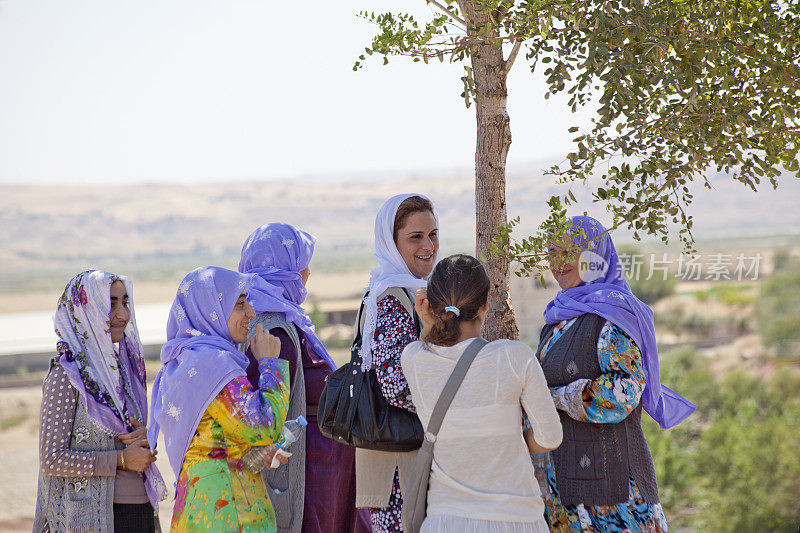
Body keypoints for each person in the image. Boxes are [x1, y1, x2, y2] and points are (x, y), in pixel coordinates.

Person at [533, 216, 697, 532]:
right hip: (566, 493)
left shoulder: (613, 317)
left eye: (571, 252)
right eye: (553, 252)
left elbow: (622, 394)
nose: (559, 262)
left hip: (616, 494)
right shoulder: (554, 323)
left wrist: (552, 398)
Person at [402, 254, 563, 533]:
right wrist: (509, 441)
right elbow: (550, 437)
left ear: (431, 304)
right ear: (486, 303)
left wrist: (429, 323)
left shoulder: (413, 359)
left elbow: (431, 350)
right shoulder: (514, 356)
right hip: (517, 518)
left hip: (445, 520)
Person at [238, 222, 372, 533]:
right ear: (287, 271)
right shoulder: (272, 330)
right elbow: (269, 415)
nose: (307, 274)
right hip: (306, 477)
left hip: (321, 470)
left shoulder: (286, 321)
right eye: (301, 265)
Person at [148, 266, 290, 532]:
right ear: (211, 309)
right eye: (239, 304)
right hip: (228, 513)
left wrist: (251, 455)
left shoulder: (181, 363)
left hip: (197, 509)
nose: (251, 312)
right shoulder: (216, 366)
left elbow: (211, 447)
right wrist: (270, 364)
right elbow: (264, 427)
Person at [33, 270, 167, 533]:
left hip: (140, 511)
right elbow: (52, 459)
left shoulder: (123, 372)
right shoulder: (66, 375)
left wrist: (142, 436)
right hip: (95, 518)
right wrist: (120, 459)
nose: (123, 314)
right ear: (86, 310)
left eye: (125, 303)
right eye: (110, 303)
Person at [355, 194, 439, 532]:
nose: (428, 245)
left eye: (433, 234)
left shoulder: (417, 290)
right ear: (392, 244)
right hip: (399, 471)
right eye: (415, 237)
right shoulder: (391, 300)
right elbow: (397, 387)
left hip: (414, 459)